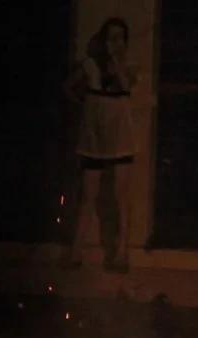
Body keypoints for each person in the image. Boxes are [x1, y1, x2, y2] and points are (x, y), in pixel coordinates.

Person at [65, 17, 138, 272]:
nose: (116, 42)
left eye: (120, 38)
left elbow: (126, 84)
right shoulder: (90, 65)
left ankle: (122, 252)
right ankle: (77, 250)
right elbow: (69, 87)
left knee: (121, 196)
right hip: (95, 137)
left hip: (120, 138)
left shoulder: (129, 65)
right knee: (88, 195)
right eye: (111, 37)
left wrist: (116, 61)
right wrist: (86, 106)